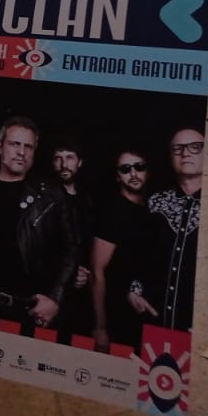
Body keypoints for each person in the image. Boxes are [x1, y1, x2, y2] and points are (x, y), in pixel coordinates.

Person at [0, 116, 78, 330]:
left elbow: (71, 250)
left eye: (28, 146)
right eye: (15, 144)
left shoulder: (52, 195)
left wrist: (55, 298)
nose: (21, 152)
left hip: (33, 312)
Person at [129, 126, 204, 334]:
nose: (185, 153)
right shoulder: (156, 201)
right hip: (155, 319)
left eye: (195, 147)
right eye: (178, 148)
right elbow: (141, 253)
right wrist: (133, 292)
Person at [90, 147, 151, 350]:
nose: (133, 174)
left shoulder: (153, 207)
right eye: (125, 169)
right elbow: (97, 272)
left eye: (139, 167)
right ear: (117, 176)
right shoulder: (113, 212)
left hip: (146, 311)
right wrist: (100, 328)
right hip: (118, 315)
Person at [49, 137, 94, 338]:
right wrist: (70, 273)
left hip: (81, 294)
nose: (63, 164)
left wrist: (86, 271)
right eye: (58, 158)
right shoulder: (45, 198)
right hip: (50, 290)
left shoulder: (89, 200)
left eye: (69, 157)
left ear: (80, 162)